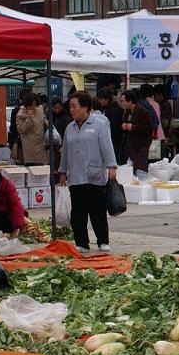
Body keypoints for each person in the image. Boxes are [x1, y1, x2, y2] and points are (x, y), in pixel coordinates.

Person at [58, 91, 118, 251]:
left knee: (97, 211)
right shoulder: (69, 128)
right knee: (78, 213)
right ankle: (81, 243)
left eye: (74, 106)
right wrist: (62, 171)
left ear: (85, 108)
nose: (71, 110)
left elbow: (107, 146)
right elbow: (65, 152)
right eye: (70, 107)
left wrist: (111, 166)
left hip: (94, 176)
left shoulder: (98, 125)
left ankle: (103, 240)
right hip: (75, 176)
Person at [120, 89, 154, 173]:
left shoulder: (142, 112)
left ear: (130, 101)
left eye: (123, 101)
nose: (122, 103)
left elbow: (147, 128)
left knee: (140, 169)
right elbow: (123, 122)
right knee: (130, 168)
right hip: (130, 145)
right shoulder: (127, 112)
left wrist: (133, 127)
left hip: (140, 146)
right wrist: (123, 125)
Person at [15, 91, 48, 165]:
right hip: (30, 148)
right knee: (33, 168)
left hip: (41, 145)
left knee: (43, 166)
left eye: (35, 105)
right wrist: (29, 119)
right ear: (26, 105)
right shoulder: (21, 114)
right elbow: (21, 130)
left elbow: (43, 120)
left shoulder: (39, 108)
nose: (33, 107)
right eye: (31, 105)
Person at [96, 88, 126, 166]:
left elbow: (114, 127)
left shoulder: (115, 110)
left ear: (107, 99)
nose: (99, 101)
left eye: (101, 99)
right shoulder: (104, 108)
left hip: (114, 141)